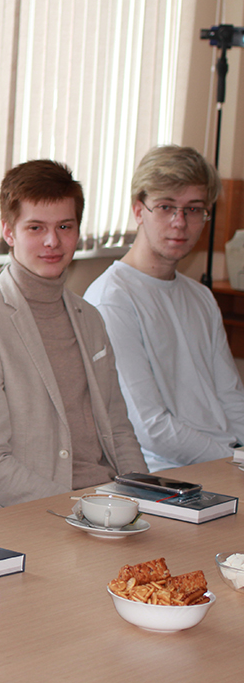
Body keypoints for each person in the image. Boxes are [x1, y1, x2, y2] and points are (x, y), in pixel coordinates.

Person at [0, 161, 147, 507]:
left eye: (64, 226)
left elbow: (119, 429)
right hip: (41, 510)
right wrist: (81, 507)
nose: (53, 241)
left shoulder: (90, 317)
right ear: (9, 232)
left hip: (110, 501)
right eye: (35, 227)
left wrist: (146, 497)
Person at [84, 145, 244, 470]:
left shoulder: (200, 296)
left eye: (194, 209)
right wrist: (232, 461)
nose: (179, 222)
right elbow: (150, 427)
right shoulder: (111, 299)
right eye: (166, 206)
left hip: (224, 462)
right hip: (165, 474)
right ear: (138, 210)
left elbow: (230, 397)